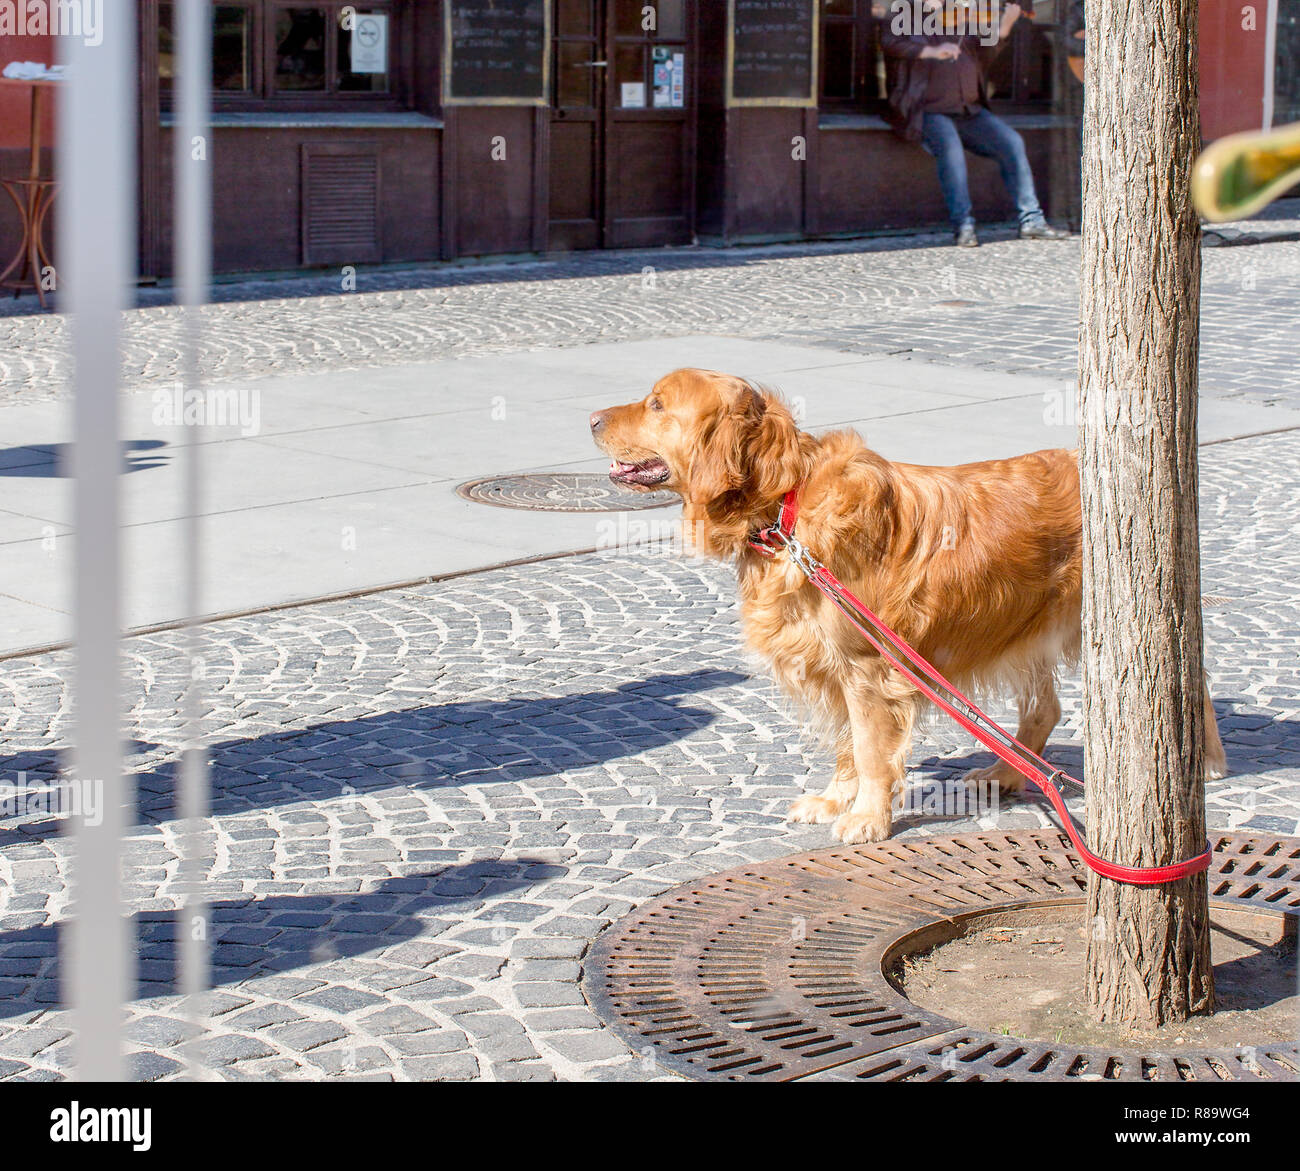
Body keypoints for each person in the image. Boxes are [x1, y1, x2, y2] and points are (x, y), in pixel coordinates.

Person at [881, 2, 1070, 246]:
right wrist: (931, 52)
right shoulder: (904, 12)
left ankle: (1032, 221)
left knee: (1011, 142)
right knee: (951, 150)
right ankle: (964, 224)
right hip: (928, 110)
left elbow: (983, 57)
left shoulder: (959, 17)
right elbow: (891, 44)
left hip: (969, 110)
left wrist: (1004, 27)